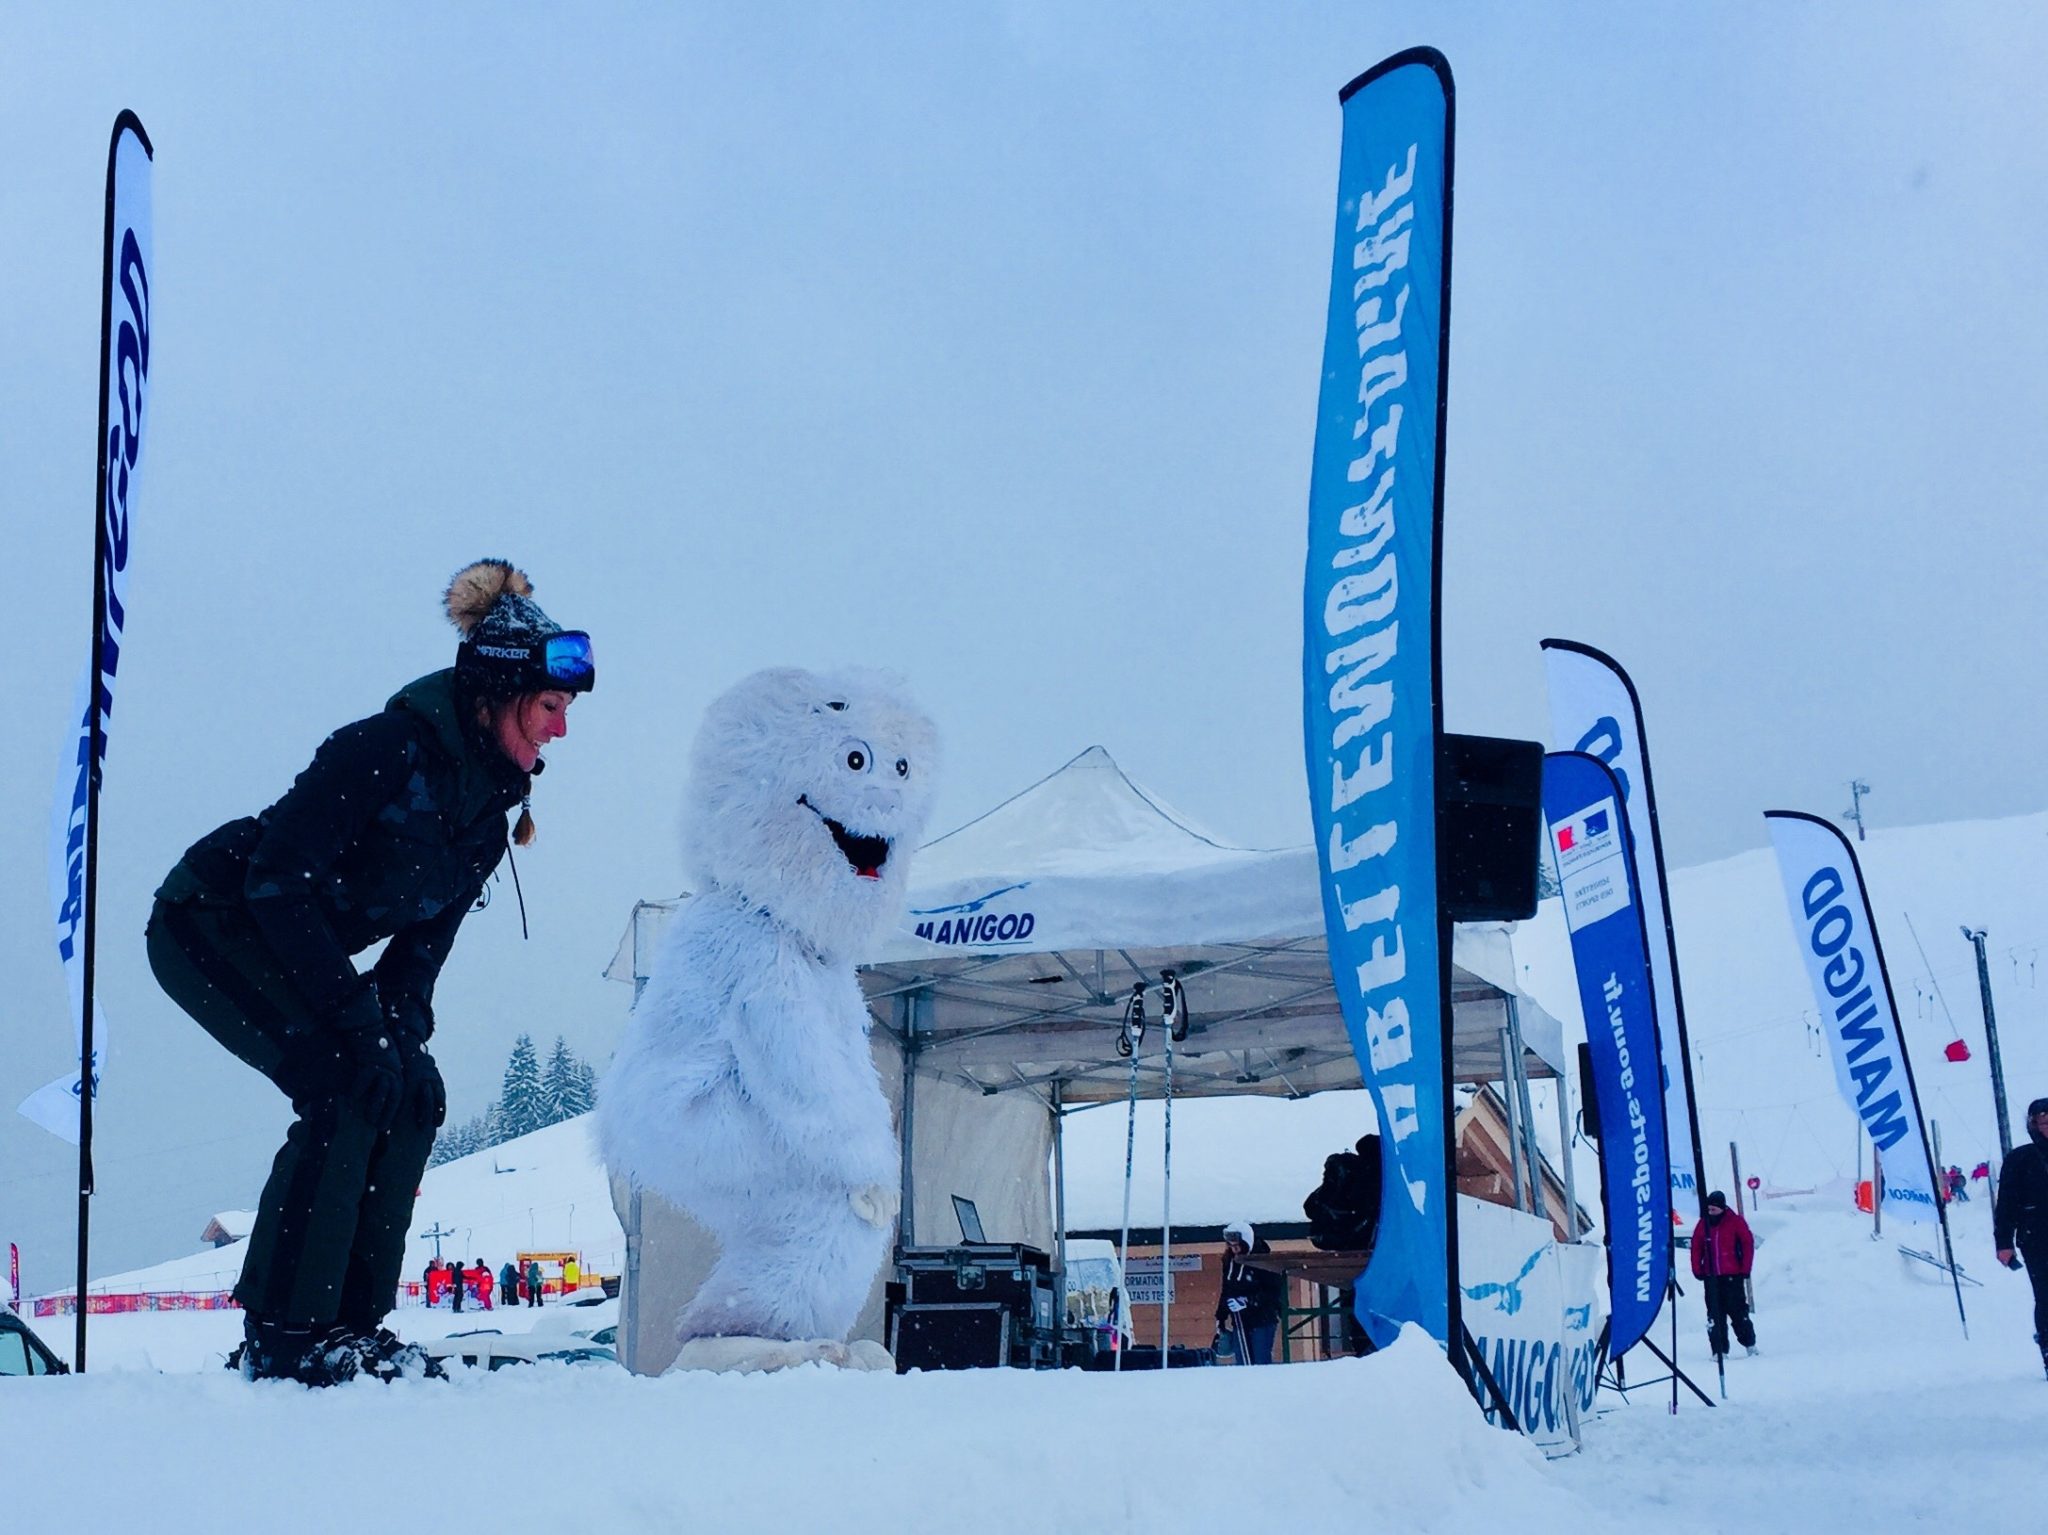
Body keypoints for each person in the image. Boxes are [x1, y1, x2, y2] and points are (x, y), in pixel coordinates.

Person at [145, 561, 594, 1385]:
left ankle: (348, 1325)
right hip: (212, 918)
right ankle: (285, 1332)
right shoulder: (383, 751)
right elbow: (276, 879)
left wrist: (402, 1039)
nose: (561, 730)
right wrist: (354, 1023)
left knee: (407, 1091)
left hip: (290, 935)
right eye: (550, 706)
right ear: (496, 694)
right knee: (342, 1079)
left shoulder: (483, 827)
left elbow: (415, 966)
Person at [1993, 1096, 2048, 1378]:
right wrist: (2004, 1243)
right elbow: (2006, 1205)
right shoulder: (2021, 1159)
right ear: (2034, 1125)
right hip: (2037, 1237)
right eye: (2043, 1121)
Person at [1690, 1190, 1757, 1359]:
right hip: (1711, 1278)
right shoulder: (1703, 1224)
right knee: (1715, 1316)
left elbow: (1747, 1243)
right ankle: (1719, 1351)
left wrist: (1745, 1268)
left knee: (1738, 1313)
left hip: (1733, 1276)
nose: (1710, 1212)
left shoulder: (1735, 1222)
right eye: (1709, 1209)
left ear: (1722, 1208)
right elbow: (1696, 1247)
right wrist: (1697, 1268)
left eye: (1713, 1209)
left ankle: (1749, 1344)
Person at [1215, 1222, 1285, 1365]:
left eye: (1237, 1246)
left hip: (1262, 1319)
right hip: (1239, 1320)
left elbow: (1273, 1292)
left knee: (1260, 1361)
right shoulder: (1230, 1262)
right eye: (1231, 1246)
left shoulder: (1263, 1261)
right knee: (1242, 1361)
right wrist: (1221, 1316)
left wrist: (1247, 1301)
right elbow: (1227, 1289)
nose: (1234, 1250)